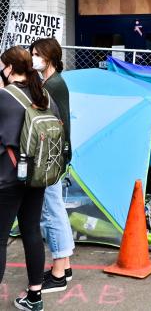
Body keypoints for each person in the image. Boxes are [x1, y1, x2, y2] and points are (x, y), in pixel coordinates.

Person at [0, 46, 59, 311]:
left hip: (8, 176)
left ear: (10, 68)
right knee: (32, 231)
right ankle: (35, 297)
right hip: (37, 175)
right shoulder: (43, 94)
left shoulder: (4, 97)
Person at [30, 38, 74, 294]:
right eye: (32, 53)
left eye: (37, 54)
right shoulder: (51, 82)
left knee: (51, 211)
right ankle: (64, 266)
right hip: (56, 156)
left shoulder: (54, 85)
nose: (34, 58)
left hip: (51, 157)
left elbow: (57, 123)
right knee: (55, 209)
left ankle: (58, 273)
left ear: (50, 56)